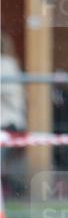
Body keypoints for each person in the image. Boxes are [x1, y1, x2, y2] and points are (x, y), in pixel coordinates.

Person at [1, 32, 27, 196]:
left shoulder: (6, 64)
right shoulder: (10, 63)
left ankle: (10, 190)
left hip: (7, 122)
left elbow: (11, 91)